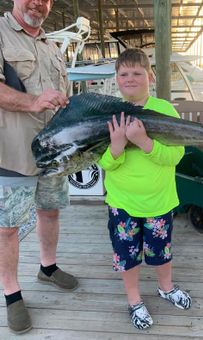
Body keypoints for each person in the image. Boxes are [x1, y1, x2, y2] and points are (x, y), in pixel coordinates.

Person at [98, 48, 192, 330]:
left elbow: (175, 156)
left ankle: (166, 287)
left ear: (150, 76)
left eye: (137, 73)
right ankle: (134, 299)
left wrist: (143, 141)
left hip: (160, 201)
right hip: (122, 203)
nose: (130, 78)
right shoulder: (108, 114)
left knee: (161, 252)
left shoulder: (164, 109)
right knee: (127, 257)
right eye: (124, 73)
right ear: (116, 78)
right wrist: (116, 146)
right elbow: (104, 162)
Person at [0, 0, 78, 334]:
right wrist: (33, 101)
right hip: (13, 152)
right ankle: (12, 293)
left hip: (55, 154)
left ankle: (47, 268)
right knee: (7, 228)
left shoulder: (52, 48)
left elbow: (65, 96)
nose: (39, 3)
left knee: (50, 212)